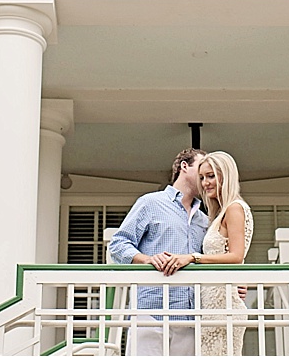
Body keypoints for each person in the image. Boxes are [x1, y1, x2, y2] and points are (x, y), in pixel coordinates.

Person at [108, 147, 208, 356]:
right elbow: (118, 244)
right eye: (201, 168)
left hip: (191, 315)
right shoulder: (150, 203)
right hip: (151, 311)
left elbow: (211, 258)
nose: (205, 175)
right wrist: (148, 260)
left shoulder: (204, 220)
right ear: (184, 167)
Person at [166, 151, 254, 356]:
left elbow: (236, 256)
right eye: (203, 177)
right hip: (212, 304)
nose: (205, 183)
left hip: (224, 304)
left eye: (211, 176)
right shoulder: (219, 213)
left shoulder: (234, 208)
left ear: (226, 175)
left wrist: (192, 257)